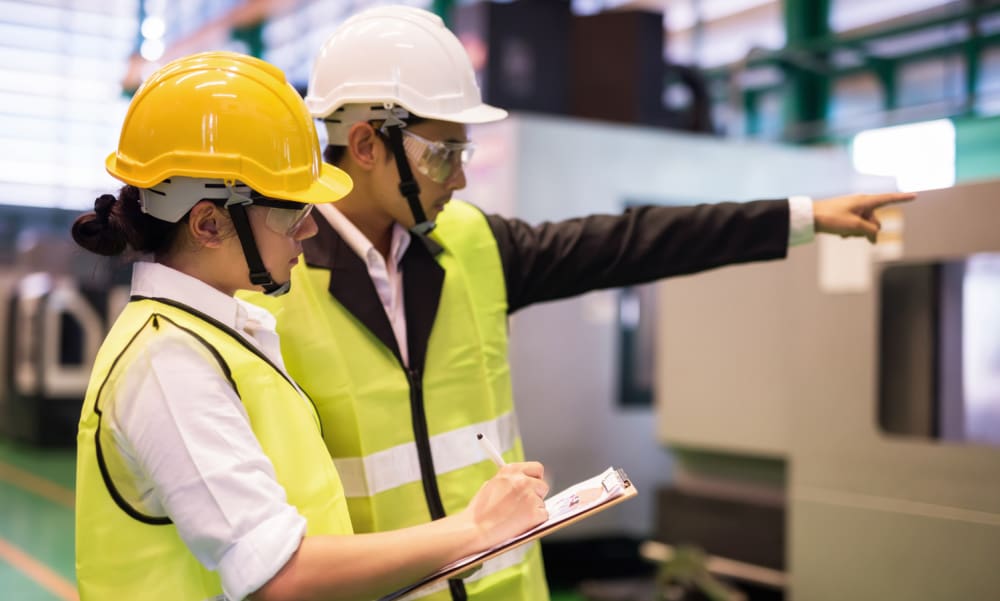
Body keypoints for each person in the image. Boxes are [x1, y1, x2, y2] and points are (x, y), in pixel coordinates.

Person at [248, 7, 917, 601]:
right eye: (442, 152)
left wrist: (800, 216)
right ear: (365, 144)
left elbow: (633, 242)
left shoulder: (475, 245)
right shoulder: (269, 291)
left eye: (463, 150)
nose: (461, 175)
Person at [72, 51, 549, 601]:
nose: (307, 229)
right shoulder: (167, 363)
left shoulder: (215, 337)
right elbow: (278, 574)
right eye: (292, 212)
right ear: (208, 223)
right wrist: (476, 529)